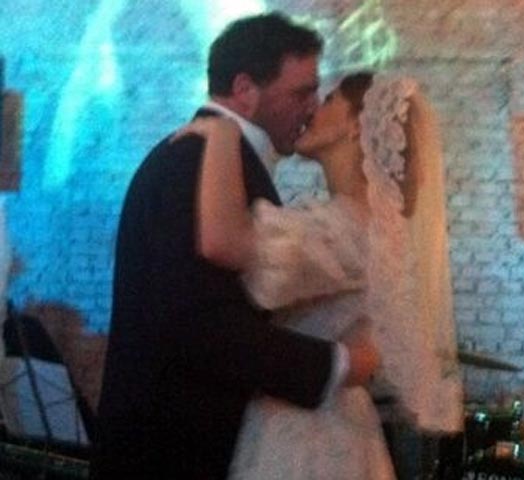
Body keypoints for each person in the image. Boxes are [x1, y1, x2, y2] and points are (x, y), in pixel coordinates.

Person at [91, 13, 380, 480]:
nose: (311, 108)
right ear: (245, 89)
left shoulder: (213, 156)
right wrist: (338, 364)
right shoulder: (196, 161)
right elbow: (198, 325)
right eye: (301, 93)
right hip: (175, 453)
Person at [176, 71, 464, 479]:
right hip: (333, 422)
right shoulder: (374, 226)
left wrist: (222, 134)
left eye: (329, 100)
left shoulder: (347, 226)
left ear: (355, 125)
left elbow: (225, 243)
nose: (313, 109)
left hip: (307, 435)